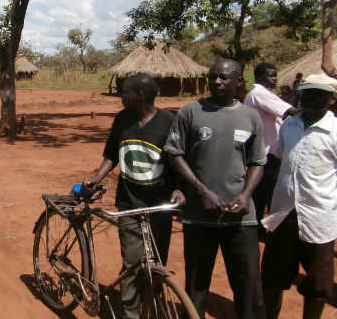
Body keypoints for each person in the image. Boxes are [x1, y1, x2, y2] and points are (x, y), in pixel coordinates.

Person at [163, 58, 267, 319]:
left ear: (239, 82)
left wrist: (245, 195)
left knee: (248, 285)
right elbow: (175, 154)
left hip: (240, 217)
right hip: (199, 215)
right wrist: (201, 190)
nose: (216, 82)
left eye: (223, 77)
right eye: (213, 77)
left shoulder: (250, 116)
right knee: (197, 285)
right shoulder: (191, 111)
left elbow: (257, 161)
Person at [83, 73, 185, 319]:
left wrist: (180, 188)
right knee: (131, 261)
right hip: (129, 203)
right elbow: (112, 153)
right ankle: (130, 313)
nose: (121, 95)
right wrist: (98, 176)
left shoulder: (169, 123)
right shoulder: (123, 119)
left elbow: (179, 162)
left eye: (125, 91)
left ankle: (153, 304)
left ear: (140, 96)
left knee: (155, 264)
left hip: (160, 206)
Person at [261, 74, 337, 319]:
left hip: (319, 218)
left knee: (317, 284)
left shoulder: (334, 130)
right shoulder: (289, 126)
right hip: (283, 214)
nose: (312, 100)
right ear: (300, 96)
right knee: (273, 277)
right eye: (308, 94)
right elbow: (282, 159)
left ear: (331, 99)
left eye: (319, 95)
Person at [243, 63, 299, 237]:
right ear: (259, 77)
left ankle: (258, 229)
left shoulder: (261, 94)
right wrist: (318, 112)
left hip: (265, 153)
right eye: (271, 76)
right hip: (266, 155)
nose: (275, 79)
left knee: (261, 195)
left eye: (275, 75)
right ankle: (268, 232)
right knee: (271, 195)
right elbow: (290, 111)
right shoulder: (259, 94)